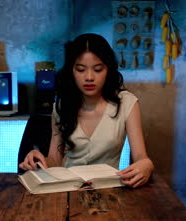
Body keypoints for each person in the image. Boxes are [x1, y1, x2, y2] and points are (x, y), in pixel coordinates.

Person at [19, 33, 154, 188]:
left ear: (108, 70)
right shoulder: (61, 106)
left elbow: (140, 157)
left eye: (97, 69)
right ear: (72, 71)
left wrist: (146, 165)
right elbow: (55, 161)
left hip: (107, 189)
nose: (89, 77)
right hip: (68, 188)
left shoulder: (127, 103)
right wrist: (39, 161)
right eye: (81, 69)